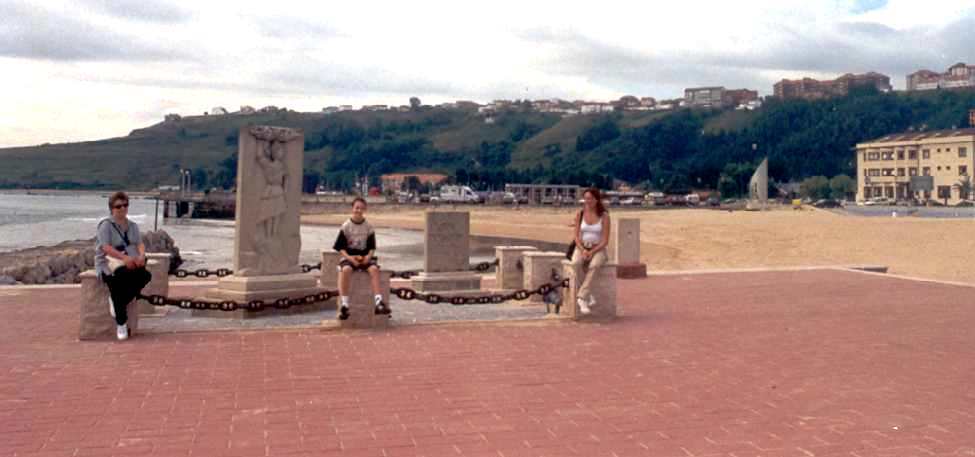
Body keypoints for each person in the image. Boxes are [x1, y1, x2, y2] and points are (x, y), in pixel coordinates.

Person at [95, 191, 152, 340]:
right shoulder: (106, 225)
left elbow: (139, 243)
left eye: (125, 205)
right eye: (118, 206)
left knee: (145, 275)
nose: (122, 209)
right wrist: (123, 258)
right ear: (112, 208)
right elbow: (105, 247)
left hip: (130, 261)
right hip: (110, 264)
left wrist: (141, 255)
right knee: (119, 280)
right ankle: (121, 323)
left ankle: (117, 302)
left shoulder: (132, 226)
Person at [333, 197, 390, 319]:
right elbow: (340, 248)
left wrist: (368, 258)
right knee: (346, 270)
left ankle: (378, 302)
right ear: (352, 209)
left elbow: (372, 247)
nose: (359, 210)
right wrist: (351, 258)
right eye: (356, 208)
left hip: (365, 257)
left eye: (361, 208)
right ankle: (345, 304)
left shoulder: (368, 227)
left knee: (374, 270)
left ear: (365, 209)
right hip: (350, 257)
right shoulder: (346, 226)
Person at [570, 187, 611, 315]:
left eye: (590, 198)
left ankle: (581, 298)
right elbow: (576, 237)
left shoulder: (604, 216)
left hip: (598, 248)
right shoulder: (580, 214)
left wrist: (592, 252)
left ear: (597, 199)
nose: (587, 201)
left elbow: (605, 240)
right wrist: (583, 250)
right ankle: (588, 295)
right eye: (586, 198)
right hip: (582, 246)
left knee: (595, 265)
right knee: (576, 264)